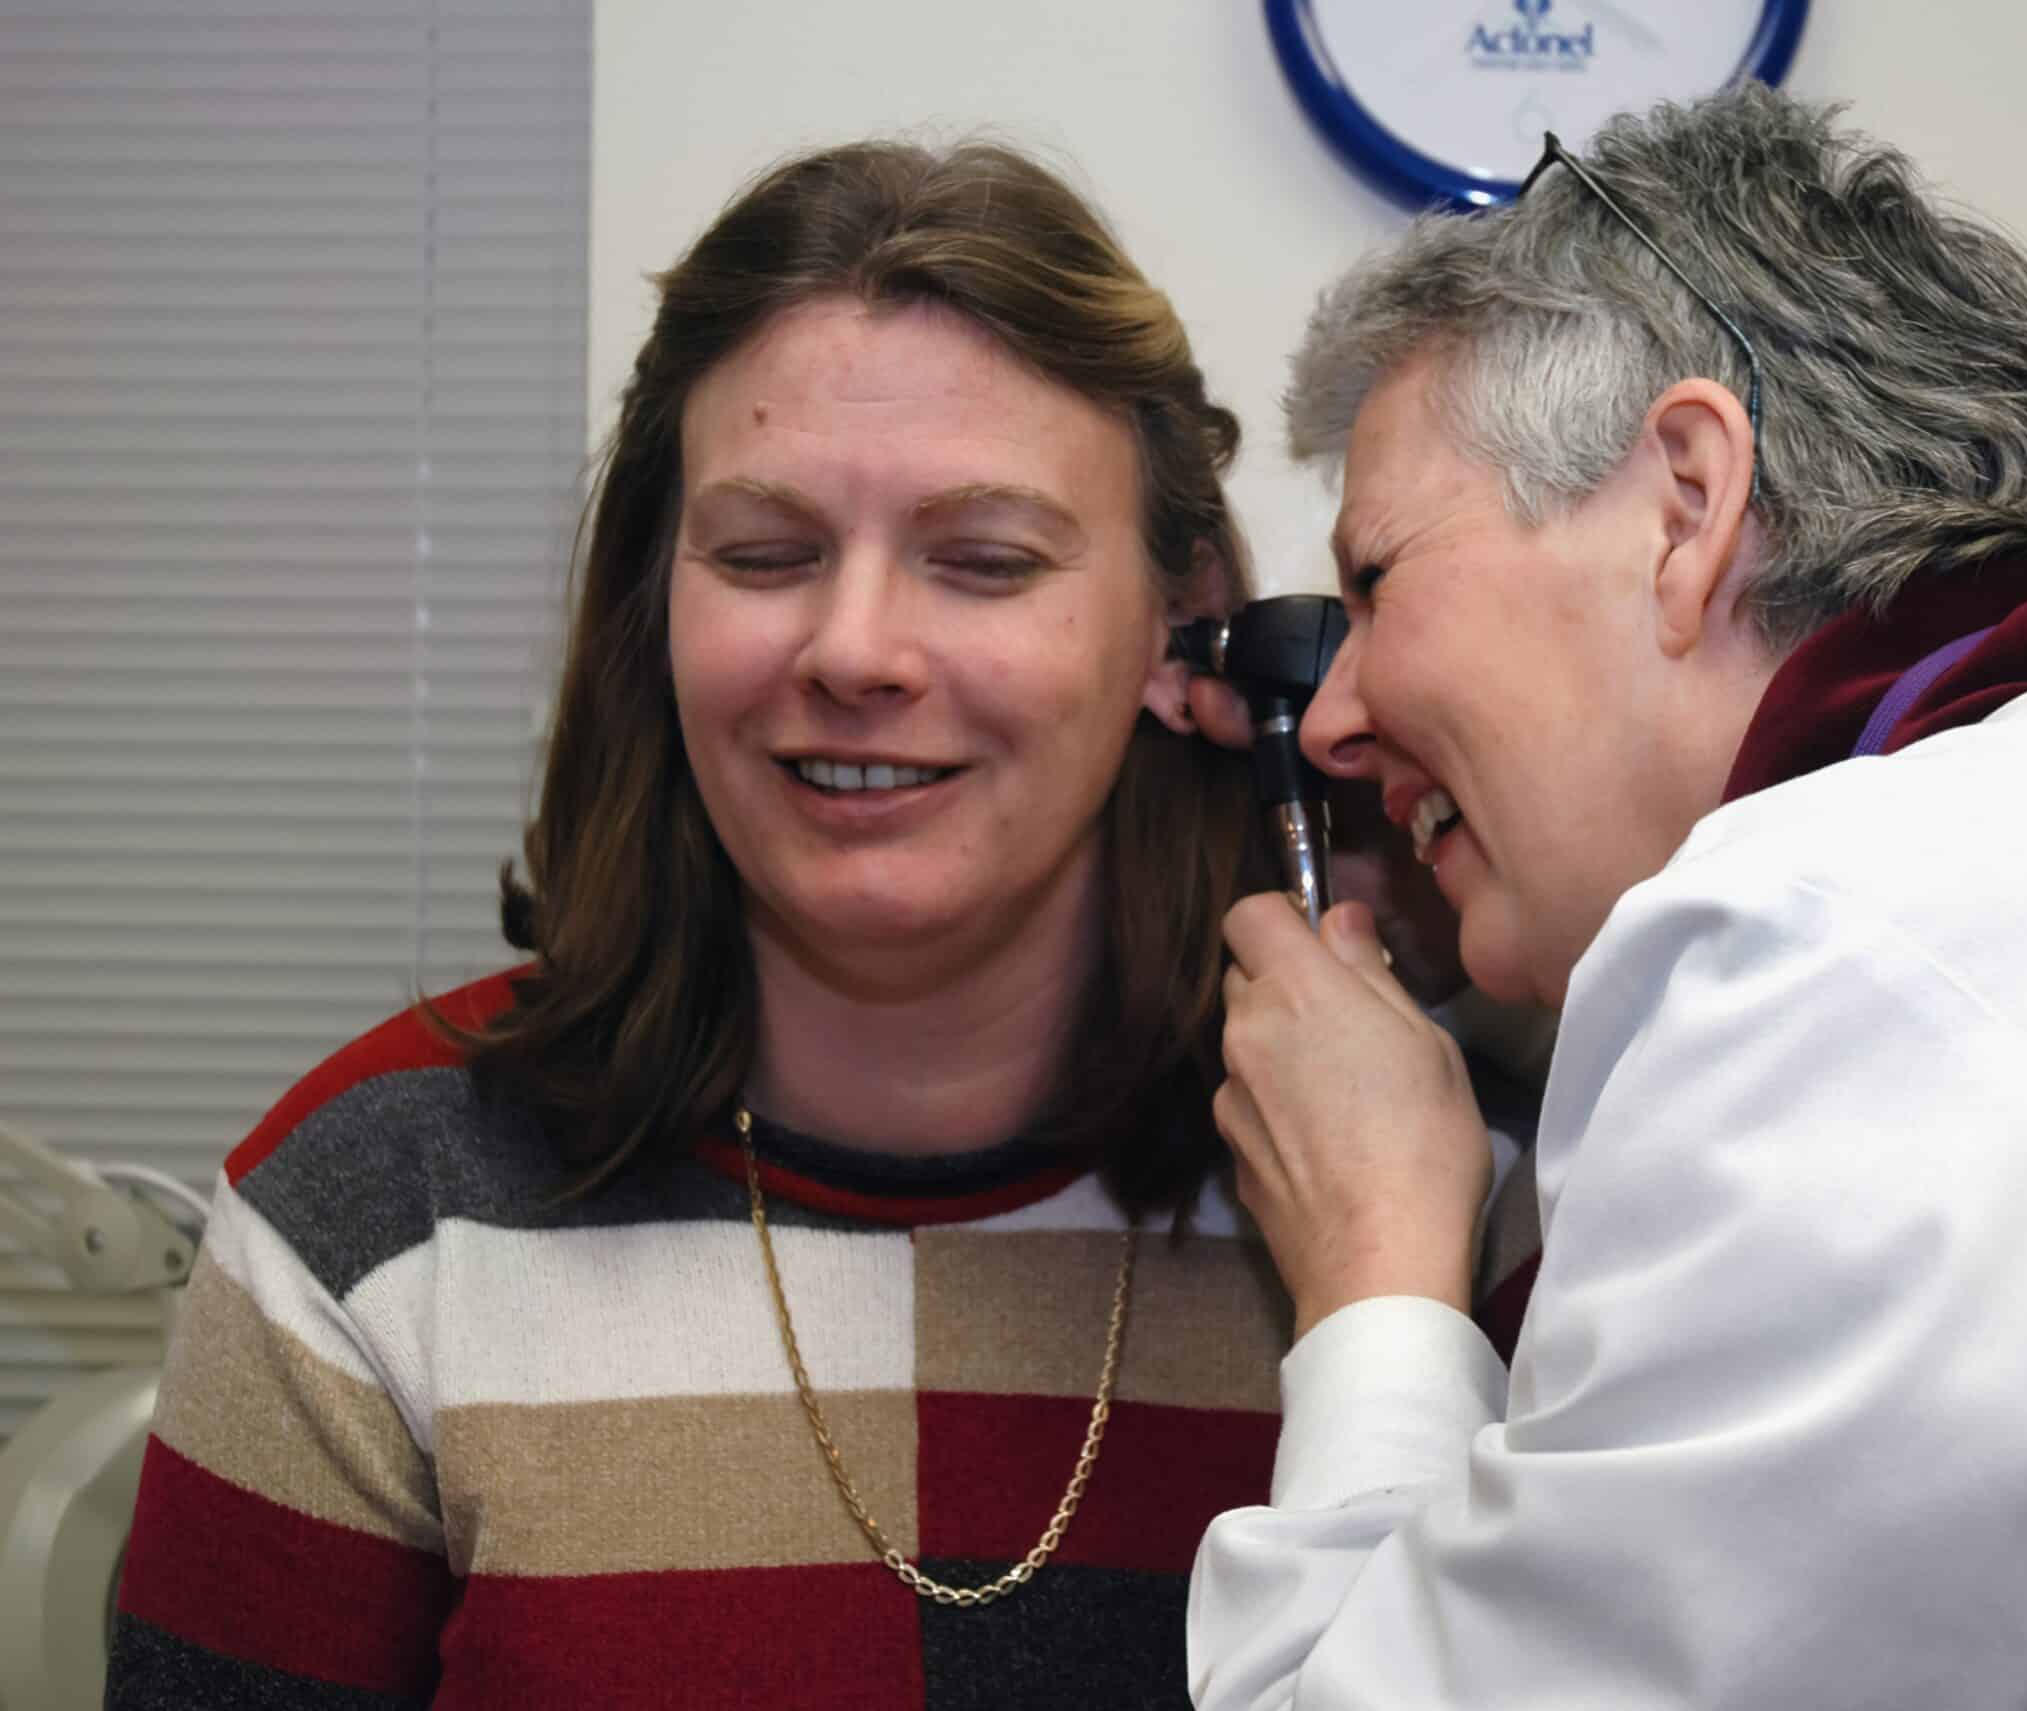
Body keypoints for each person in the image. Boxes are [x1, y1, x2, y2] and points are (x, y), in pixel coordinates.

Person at [1187, 84, 2027, 1708]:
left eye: (1378, 581)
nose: (1334, 718)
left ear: (1688, 503)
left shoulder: (1874, 997)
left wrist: (1377, 1279)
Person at [107, 139, 1297, 1710]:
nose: (855, 648)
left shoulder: (1404, 1203)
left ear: (1178, 620)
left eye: (984, 562)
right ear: (654, 606)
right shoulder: (367, 1229)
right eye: (764, 554)